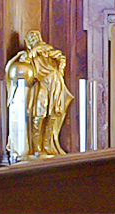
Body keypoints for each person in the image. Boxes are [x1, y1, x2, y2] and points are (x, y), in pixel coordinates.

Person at [5, 30, 73, 159]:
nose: (34, 39)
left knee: (54, 114)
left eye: (36, 36)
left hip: (55, 83)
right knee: (39, 115)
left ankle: (47, 146)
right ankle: (37, 149)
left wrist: (60, 70)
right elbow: (19, 66)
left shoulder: (48, 51)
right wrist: (32, 52)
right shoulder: (28, 54)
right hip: (41, 86)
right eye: (31, 38)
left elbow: (61, 58)